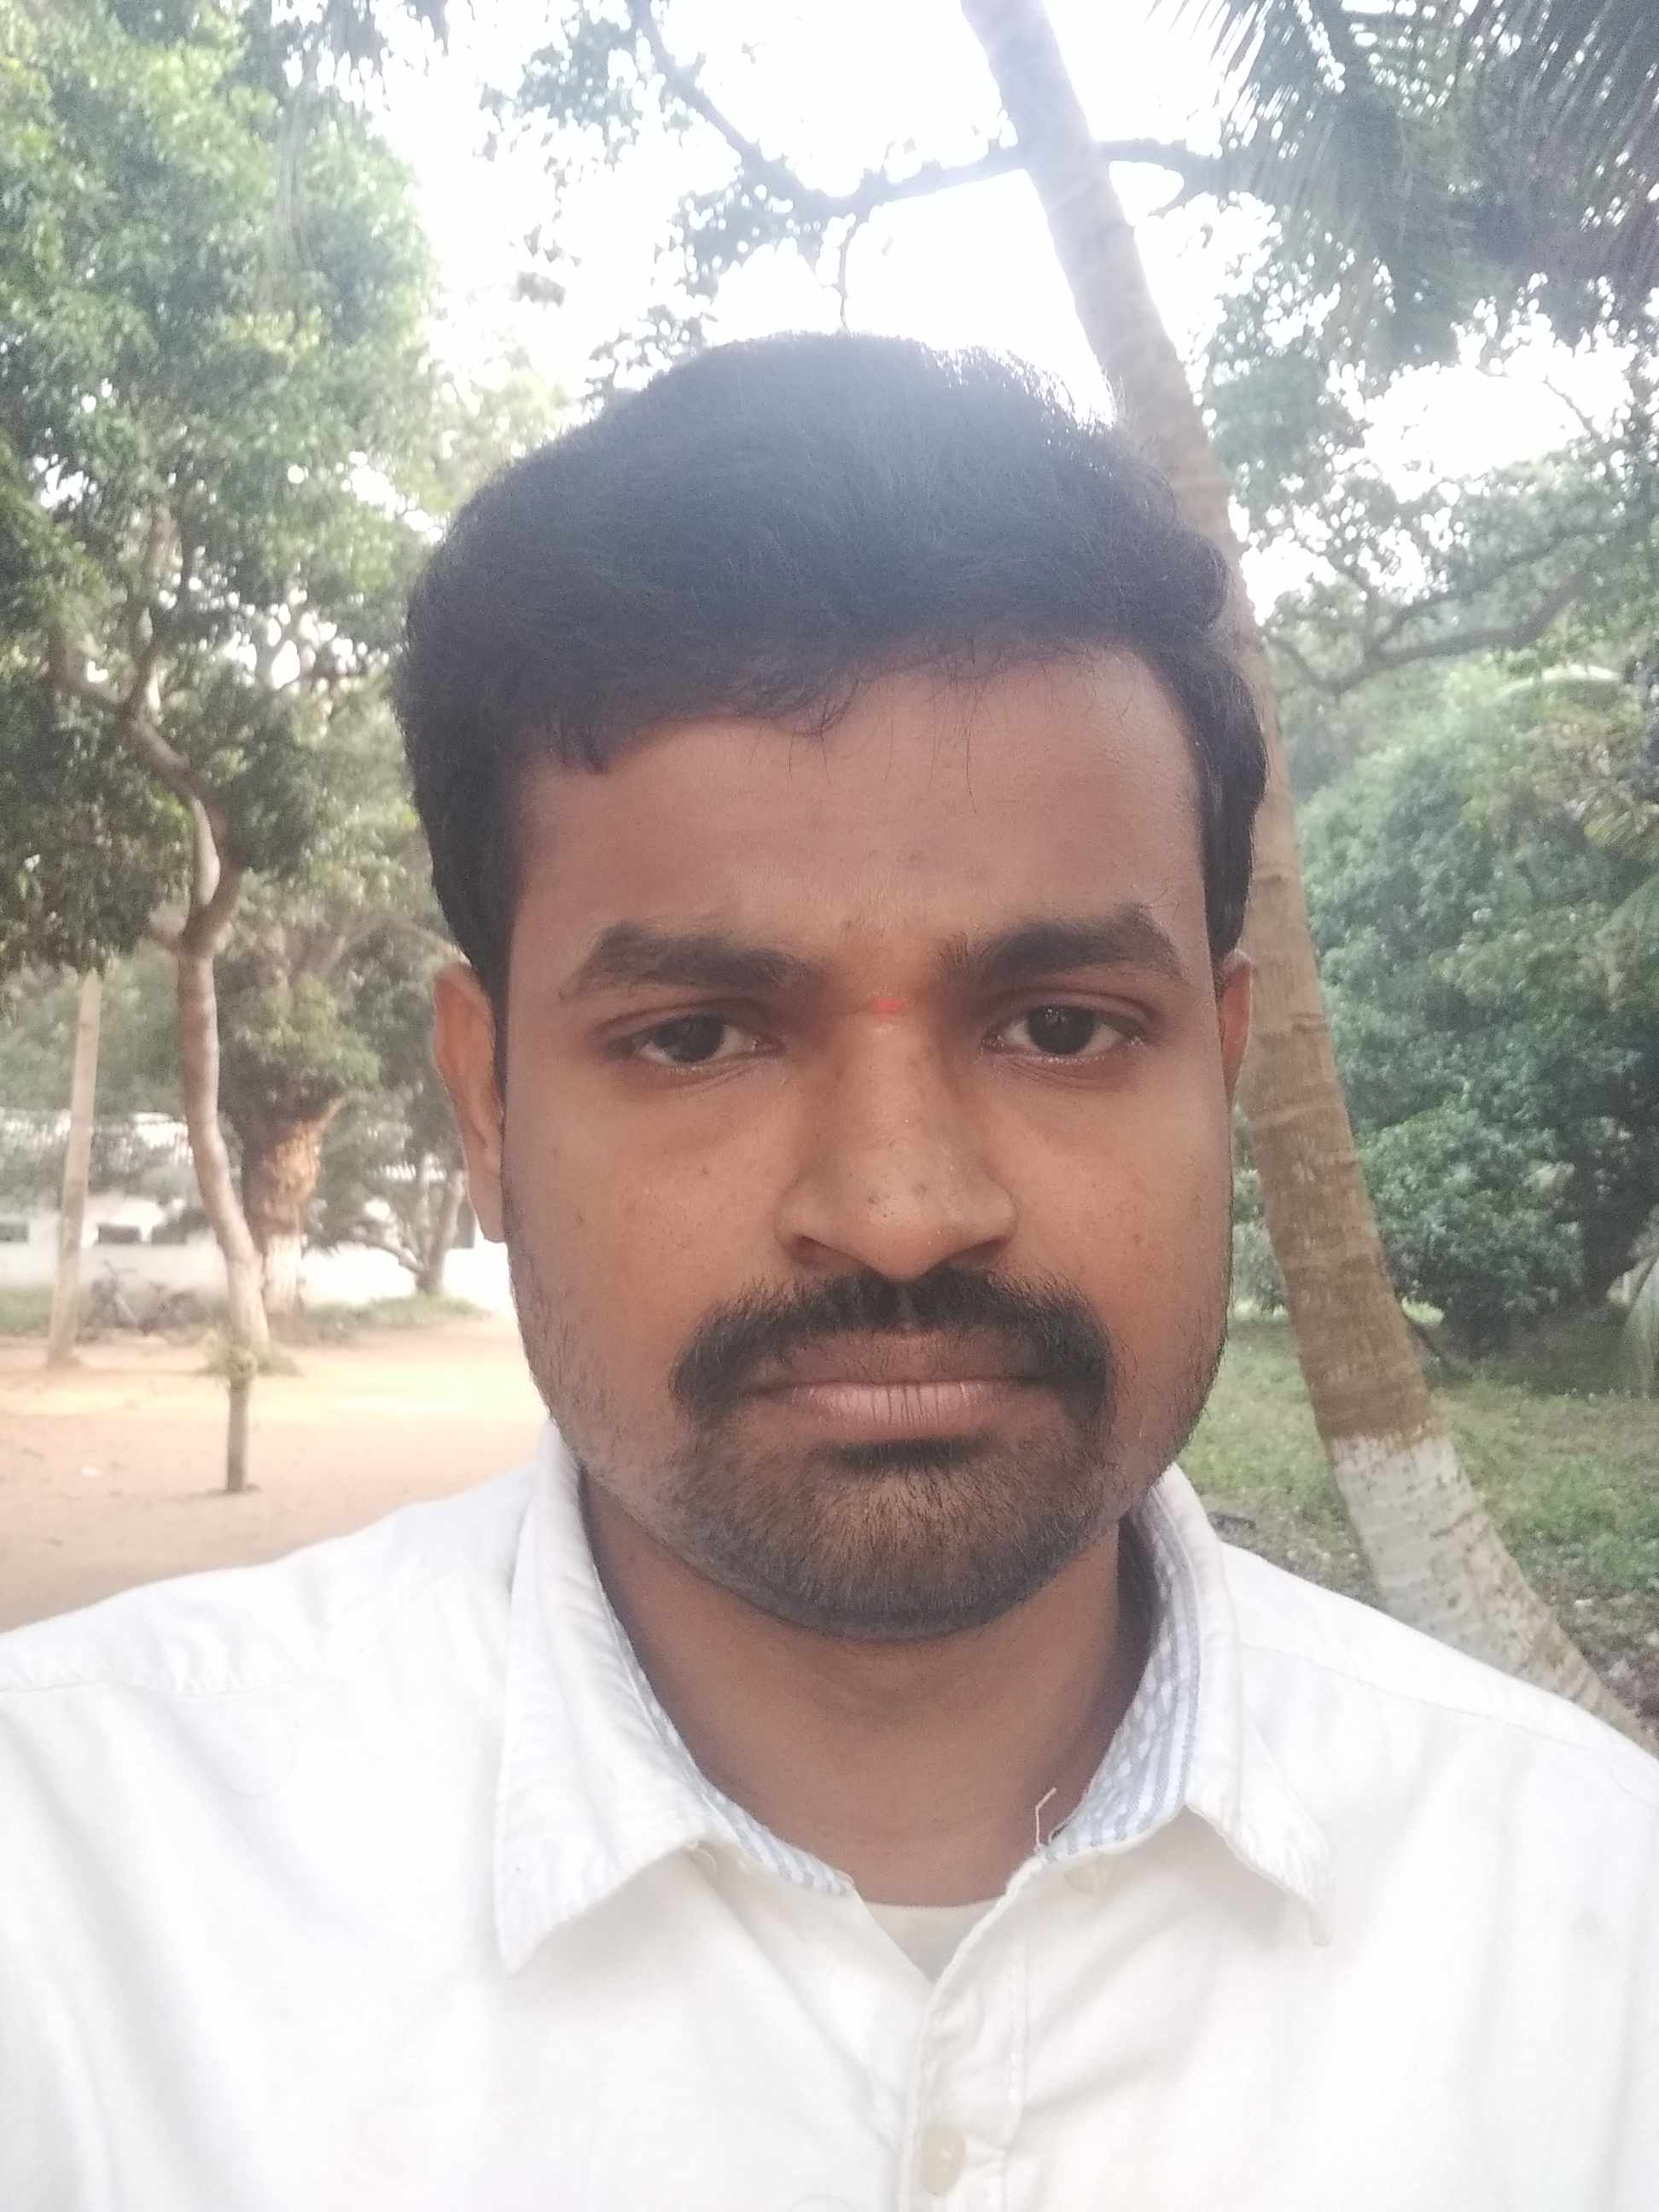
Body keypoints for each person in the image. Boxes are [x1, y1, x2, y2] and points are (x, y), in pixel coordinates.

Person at [2, 335, 1654, 2212]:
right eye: (699, 1037)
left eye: (1059, 1025)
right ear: (488, 1104)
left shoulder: (1597, 1952)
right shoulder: (76, 1906)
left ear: (1223, 1065)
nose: (899, 1211)